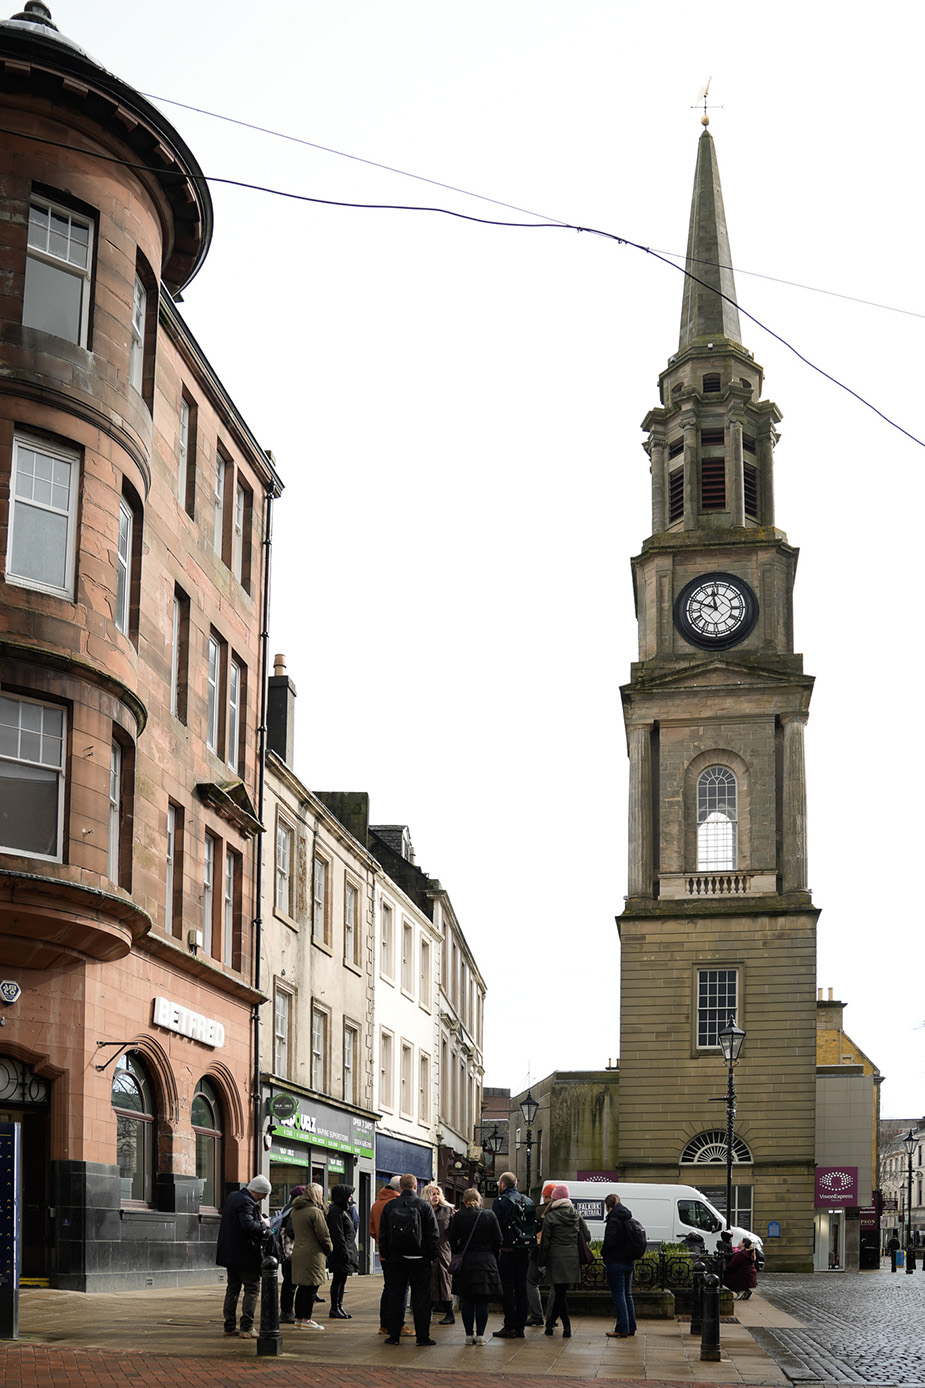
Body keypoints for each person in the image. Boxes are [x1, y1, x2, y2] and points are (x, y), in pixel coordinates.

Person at [378, 1173, 440, 1346]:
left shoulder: (390, 1206)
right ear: (415, 1186)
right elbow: (433, 1234)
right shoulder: (424, 1205)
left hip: (396, 1260)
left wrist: (387, 1255)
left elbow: (383, 1234)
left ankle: (394, 1336)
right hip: (420, 1259)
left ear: (401, 1187)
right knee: (421, 1298)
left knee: (396, 1297)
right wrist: (431, 1256)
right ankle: (422, 1337)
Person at [215, 1174, 272, 1338]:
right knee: (252, 1289)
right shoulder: (247, 1202)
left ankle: (230, 1325)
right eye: (264, 1194)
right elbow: (248, 1225)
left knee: (232, 1289)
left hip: (229, 1252)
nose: (265, 1197)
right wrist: (264, 1223)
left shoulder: (233, 1197)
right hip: (245, 1254)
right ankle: (247, 1327)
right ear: (257, 1191)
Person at [447, 1187, 503, 1346]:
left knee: (468, 1300)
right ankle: (480, 1336)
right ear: (479, 1200)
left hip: (466, 1263)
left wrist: (459, 1251)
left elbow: (452, 1240)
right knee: (482, 1302)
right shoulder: (489, 1215)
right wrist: (493, 1256)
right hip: (486, 1263)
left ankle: (468, 1335)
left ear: (464, 1201)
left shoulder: (459, 1216)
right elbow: (498, 1240)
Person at [538, 1182, 591, 1339]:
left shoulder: (550, 1217)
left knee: (560, 1294)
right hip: (572, 1259)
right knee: (561, 1293)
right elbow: (587, 1236)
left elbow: (545, 1243)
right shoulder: (576, 1214)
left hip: (555, 1259)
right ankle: (550, 1325)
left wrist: (541, 1262)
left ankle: (567, 1327)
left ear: (554, 1199)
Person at [492, 1170, 535, 1338]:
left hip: (507, 1251)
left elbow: (496, 1228)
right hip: (524, 1250)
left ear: (503, 1185)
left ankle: (509, 1326)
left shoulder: (501, 1201)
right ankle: (520, 1327)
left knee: (508, 1289)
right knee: (522, 1288)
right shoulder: (528, 1200)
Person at [289, 1183, 333, 1329]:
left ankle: (299, 1318)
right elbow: (323, 1234)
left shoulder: (295, 1210)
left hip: (299, 1251)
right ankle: (306, 1319)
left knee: (302, 1286)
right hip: (313, 1253)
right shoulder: (315, 1212)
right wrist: (329, 1249)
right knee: (312, 1287)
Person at [370, 1175, 410, 1335]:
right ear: (400, 1188)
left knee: (388, 1288)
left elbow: (372, 1231)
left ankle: (384, 1324)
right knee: (401, 1290)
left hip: (383, 1252)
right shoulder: (396, 1204)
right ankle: (398, 1324)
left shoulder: (376, 1204)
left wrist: (381, 1242)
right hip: (398, 1253)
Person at [601, 1192, 638, 1339]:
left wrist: (604, 1253)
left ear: (608, 1206)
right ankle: (631, 1327)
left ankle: (622, 1328)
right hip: (629, 1262)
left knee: (619, 1296)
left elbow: (609, 1242)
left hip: (615, 1262)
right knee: (627, 1295)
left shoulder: (613, 1220)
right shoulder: (628, 1218)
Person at [421, 1182, 455, 1324]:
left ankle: (450, 1312)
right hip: (427, 1249)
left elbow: (454, 1230)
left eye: (437, 1194)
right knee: (428, 1281)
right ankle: (427, 1311)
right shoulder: (422, 1209)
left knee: (445, 1279)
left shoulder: (447, 1210)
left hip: (443, 1248)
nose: (436, 1197)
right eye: (433, 1194)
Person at [526, 1180, 557, 1326]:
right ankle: (551, 1318)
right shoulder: (561, 1212)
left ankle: (537, 1315)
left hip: (537, 1253)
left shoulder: (537, 1211)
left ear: (545, 1196)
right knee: (555, 1287)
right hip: (556, 1255)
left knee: (531, 1283)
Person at [326, 1183, 359, 1318]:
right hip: (341, 1252)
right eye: (349, 1195)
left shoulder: (345, 1210)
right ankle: (335, 1307)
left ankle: (339, 1306)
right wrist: (344, 1252)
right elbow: (338, 1234)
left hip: (347, 1250)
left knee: (342, 1280)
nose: (351, 1197)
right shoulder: (335, 1212)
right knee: (338, 1280)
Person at [274, 1183, 305, 1323]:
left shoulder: (287, 1208)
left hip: (287, 1252)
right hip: (293, 1252)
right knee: (291, 1284)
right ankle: (287, 1312)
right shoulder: (294, 1210)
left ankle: (286, 1311)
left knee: (289, 1283)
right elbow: (291, 1230)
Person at [723, 1236, 758, 1300]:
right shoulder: (750, 1254)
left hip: (743, 1278)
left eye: (740, 1242)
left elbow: (731, 1266)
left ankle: (740, 1291)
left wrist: (723, 1269)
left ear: (743, 1244)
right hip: (749, 1277)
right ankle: (744, 1290)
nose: (738, 1243)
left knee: (723, 1278)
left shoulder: (740, 1255)